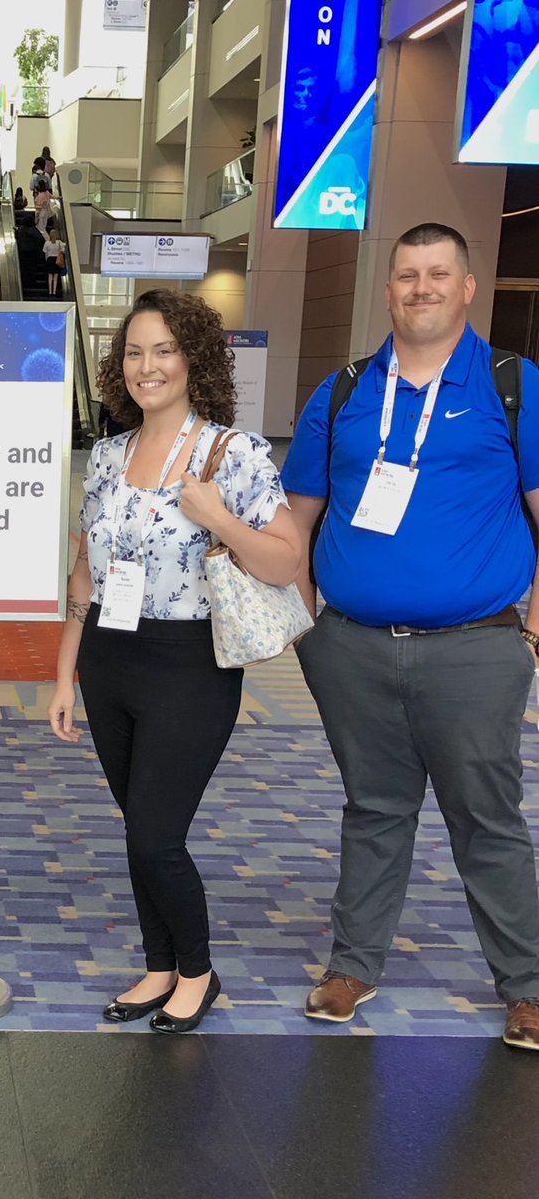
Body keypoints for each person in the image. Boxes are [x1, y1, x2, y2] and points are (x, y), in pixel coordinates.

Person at [281, 222, 539, 1050]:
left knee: (485, 818)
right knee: (373, 809)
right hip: (351, 648)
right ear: (386, 289)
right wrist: (307, 627)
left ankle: (527, 988)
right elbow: (295, 523)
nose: (419, 288)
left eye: (436, 274)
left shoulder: (512, 385)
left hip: (474, 650)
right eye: (405, 275)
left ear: (466, 287)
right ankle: (351, 966)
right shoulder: (343, 391)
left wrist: (533, 631)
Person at [48, 290, 300, 1033]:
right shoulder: (108, 455)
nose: (146, 366)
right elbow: (84, 574)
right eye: (133, 352)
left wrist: (219, 518)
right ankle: (158, 966)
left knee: (157, 836)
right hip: (108, 658)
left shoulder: (234, 454)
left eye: (163, 350)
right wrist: (64, 673)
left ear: (194, 359)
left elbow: (285, 562)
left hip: (190, 665)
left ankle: (197, 971)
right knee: (139, 829)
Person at [42, 220, 66, 296]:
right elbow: (63, 249)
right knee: (55, 277)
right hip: (56, 260)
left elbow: (45, 252)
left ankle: (50, 291)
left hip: (49, 260)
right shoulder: (59, 242)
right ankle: (54, 292)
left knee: (50, 276)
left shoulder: (47, 243)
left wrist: (46, 260)